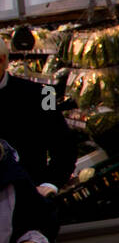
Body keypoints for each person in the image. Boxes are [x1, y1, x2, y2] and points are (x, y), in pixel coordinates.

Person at [0, 35, 77, 200]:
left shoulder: (43, 94)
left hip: (29, 199)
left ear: (2, 60)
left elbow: (64, 144)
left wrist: (50, 183)